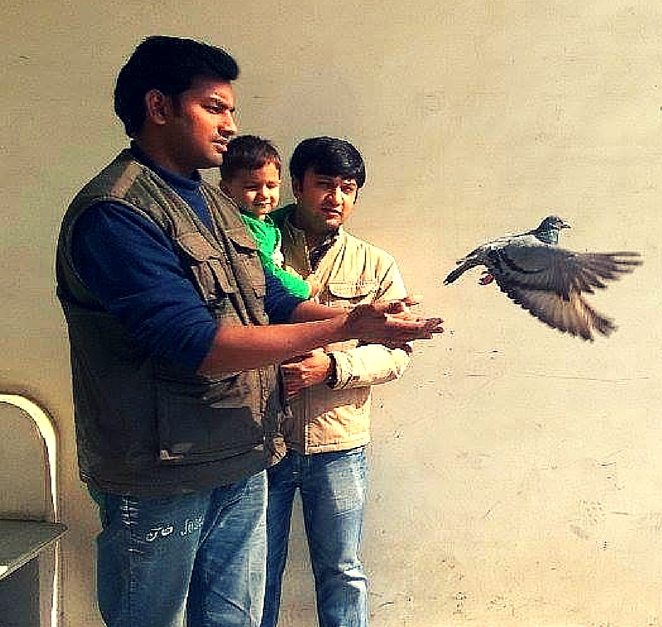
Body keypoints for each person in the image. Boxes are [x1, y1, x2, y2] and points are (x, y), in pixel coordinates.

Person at [54, 37, 442, 627]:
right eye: (215, 107)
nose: (231, 125)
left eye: (231, 110)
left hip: (241, 455)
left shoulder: (213, 203)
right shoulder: (118, 213)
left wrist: (367, 323)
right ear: (159, 107)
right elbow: (200, 347)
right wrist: (343, 325)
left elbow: (273, 296)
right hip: (163, 471)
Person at [261, 137, 408, 627]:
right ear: (297, 184)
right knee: (255, 572)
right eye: (324, 184)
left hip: (338, 441)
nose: (335, 198)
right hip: (261, 441)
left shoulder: (375, 264)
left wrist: (332, 369)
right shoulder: (255, 243)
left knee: (343, 572)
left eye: (347, 188)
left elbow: (396, 352)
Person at [219, 134, 315, 299]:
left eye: (271, 186)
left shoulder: (259, 219)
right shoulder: (246, 229)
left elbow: (274, 220)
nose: (264, 194)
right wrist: (306, 288)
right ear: (226, 190)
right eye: (252, 187)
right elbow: (266, 272)